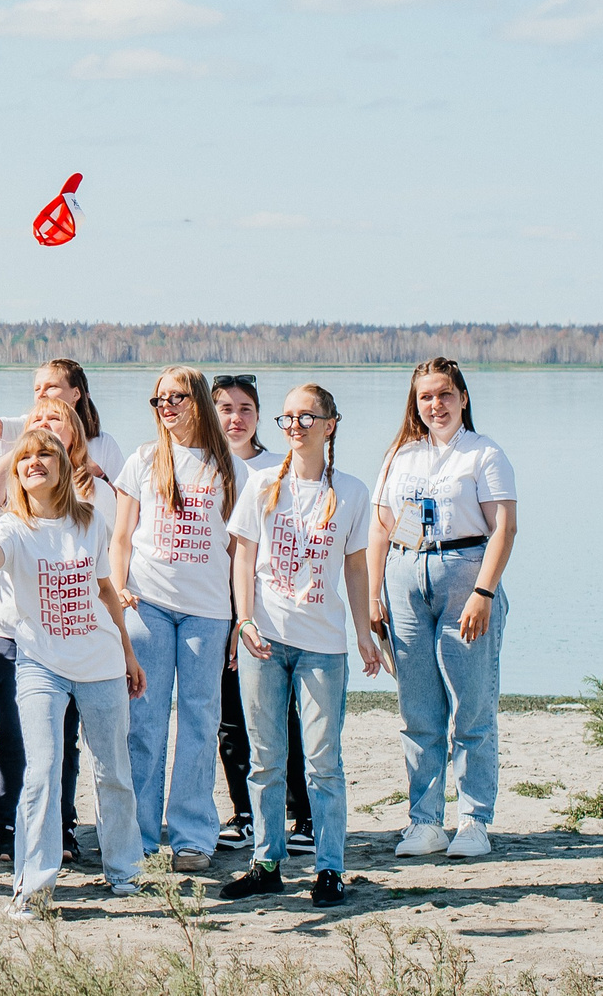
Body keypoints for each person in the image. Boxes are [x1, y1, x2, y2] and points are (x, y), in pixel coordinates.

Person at [0, 429, 145, 919]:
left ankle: (125, 869)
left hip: (100, 661)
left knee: (113, 769)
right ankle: (34, 885)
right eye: (25, 456)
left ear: (62, 465)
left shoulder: (89, 519)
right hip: (40, 664)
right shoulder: (10, 527)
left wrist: (129, 653)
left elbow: (106, 590)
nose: (34, 462)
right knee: (42, 770)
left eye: (45, 453)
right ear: (16, 472)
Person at [220, 384, 380, 907]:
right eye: (288, 418)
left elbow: (355, 567)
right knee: (265, 758)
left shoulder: (352, 491)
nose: (295, 427)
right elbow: (243, 555)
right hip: (263, 640)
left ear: (330, 424)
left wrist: (363, 633)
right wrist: (243, 620)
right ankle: (267, 861)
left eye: (306, 417)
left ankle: (329, 868)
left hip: (322, 644)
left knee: (322, 760)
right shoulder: (263, 482)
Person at [368, 357, 518, 861]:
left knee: (472, 706)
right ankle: (425, 821)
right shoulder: (403, 456)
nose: (436, 404)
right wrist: (374, 595)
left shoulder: (483, 454)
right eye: (426, 396)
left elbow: (504, 529)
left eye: (445, 394)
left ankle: (473, 820)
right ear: (416, 402)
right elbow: (384, 528)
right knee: (418, 709)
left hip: (464, 574)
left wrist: (484, 593)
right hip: (407, 574)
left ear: (463, 398)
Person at [110, 366, 240, 872]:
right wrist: (119, 590)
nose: (166, 407)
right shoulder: (143, 460)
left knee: (200, 721)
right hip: (149, 604)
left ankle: (192, 836)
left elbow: (240, 548)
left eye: (175, 398)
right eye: (158, 400)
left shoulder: (229, 466)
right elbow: (121, 537)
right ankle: (139, 835)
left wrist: (239, 618)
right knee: (143, 721)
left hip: (208, 612)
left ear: (198, 400)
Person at [208, 375, 307, 858]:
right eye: (225, 408)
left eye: (245, 408)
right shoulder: (202, 466)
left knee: (280, 713)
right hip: (213, 603)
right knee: (230, 717)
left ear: (260, 415)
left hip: (266, 605)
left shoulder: (278, 467)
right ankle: (244, 815)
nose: (235, 418)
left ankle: (301, 813)